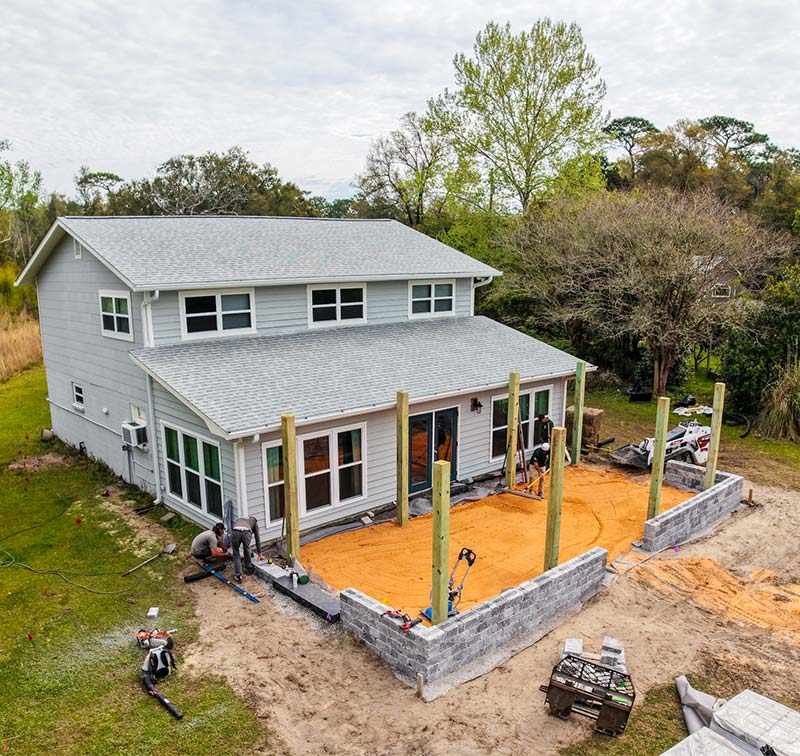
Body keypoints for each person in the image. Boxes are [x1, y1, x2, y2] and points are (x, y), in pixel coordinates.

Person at [230, 515, 263, 583]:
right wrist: (260, 554)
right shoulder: (254, 523)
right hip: (246, 533)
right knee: (246, 549)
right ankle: (248, 568)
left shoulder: (240, 519)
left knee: (236, 553)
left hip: (235, 532)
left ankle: (238, 575)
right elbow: (257, 539)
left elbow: (233, 527)